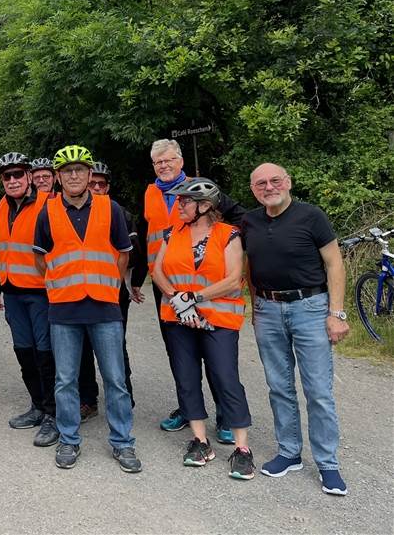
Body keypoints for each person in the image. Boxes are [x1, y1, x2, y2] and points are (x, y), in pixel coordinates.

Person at [244, 163, 349, 496]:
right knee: (279, 386)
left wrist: (337, 313)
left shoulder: (311, 216)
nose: (269, 187)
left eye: (275, 180)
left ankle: (328, 464)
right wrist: (255, 308)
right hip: (267, 308)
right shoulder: (249, 221)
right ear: (253, 189)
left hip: (311, 308)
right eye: (261, 183)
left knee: (318, 389)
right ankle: (289, 452)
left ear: (288, 182)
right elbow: (248, 266)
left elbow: (334, 263)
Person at [33, 146, 141, 473]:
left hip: (104, 306)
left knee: (115, 378)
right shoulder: (47, 212)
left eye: (80, 170)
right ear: (59, 178)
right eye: (67, 171)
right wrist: (56, 282)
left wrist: (108, 283)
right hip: (64, 308)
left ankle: (123, 442)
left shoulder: (112, 209)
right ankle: (69, 439)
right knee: (66, 380)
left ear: (90, 175)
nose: (74, 176)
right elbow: (41, 259)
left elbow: (123, 255)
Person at [151, 178, 255, 480]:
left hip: (218, 320)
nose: (179, 205)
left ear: (205, 206)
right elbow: (157, 271)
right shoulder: (172, 233)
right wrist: (175, 297)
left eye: (184, 201)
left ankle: (242, 448)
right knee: (186, 377)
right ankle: (200, 440)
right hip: (179, 319)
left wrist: (193, 297)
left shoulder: (229, 234)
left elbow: (234, 279)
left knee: (225, 378)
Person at [144, 138, 244, 443]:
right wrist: (141, 279)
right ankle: (188, 411)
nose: (163, 166)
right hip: (168, 290)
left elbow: (238, 217)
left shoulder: (200, 188)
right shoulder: (151, 192)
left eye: (168, 160)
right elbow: (145, 230)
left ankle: (225, 416)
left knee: (218, 363)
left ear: (180, 161)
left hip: (208, 293)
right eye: (158, 162)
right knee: (182, 360)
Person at [0, 152, 58, 448]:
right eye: (7, 176)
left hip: (41, 291)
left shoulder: (49, 204)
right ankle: (37, 405)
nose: (12, 180)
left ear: (29, 176)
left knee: (46, 353)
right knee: (24, 351)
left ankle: (53, 414)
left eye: (18, 174)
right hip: (12, 291)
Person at [78, 162, 145, 419]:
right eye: (92, 182)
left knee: (116, 345)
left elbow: (138, 253)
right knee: (82, 346)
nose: (96, 187)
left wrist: (134, 282)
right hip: (79, 291)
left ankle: (123, 396)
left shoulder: (119, 213)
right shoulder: (73, 213)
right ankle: (88, 399)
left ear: (108, 187)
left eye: (101, 184)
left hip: (112, 293)